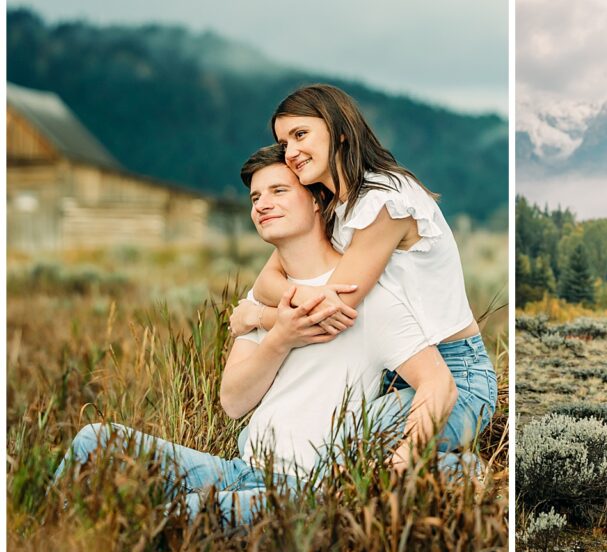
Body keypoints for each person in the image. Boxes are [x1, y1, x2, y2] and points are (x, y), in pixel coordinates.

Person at [53, 146, 457, 524]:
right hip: (239, 470)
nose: (262, 204)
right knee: (95, 439)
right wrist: (281, 336)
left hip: (301, 491)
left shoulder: (363, 295)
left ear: (318, 200)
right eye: (255, 197)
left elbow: (438, 384)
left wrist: (396, 466)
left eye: (279, 190)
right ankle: (38, 546)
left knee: (176, 515)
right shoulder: (261, 300)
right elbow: (233, 401)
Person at [235, 84, 497, 469]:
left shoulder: (385, 201)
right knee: (286, 443)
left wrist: (258, 318)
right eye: (284, 142)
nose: (290, 153)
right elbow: (266, 283)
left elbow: (336, 310)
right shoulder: (332, 206)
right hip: (389, 373)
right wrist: (278, 306)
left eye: (300, 135)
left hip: (454, 378)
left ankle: (461, 476)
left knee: (333, 449)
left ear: (340, 131)